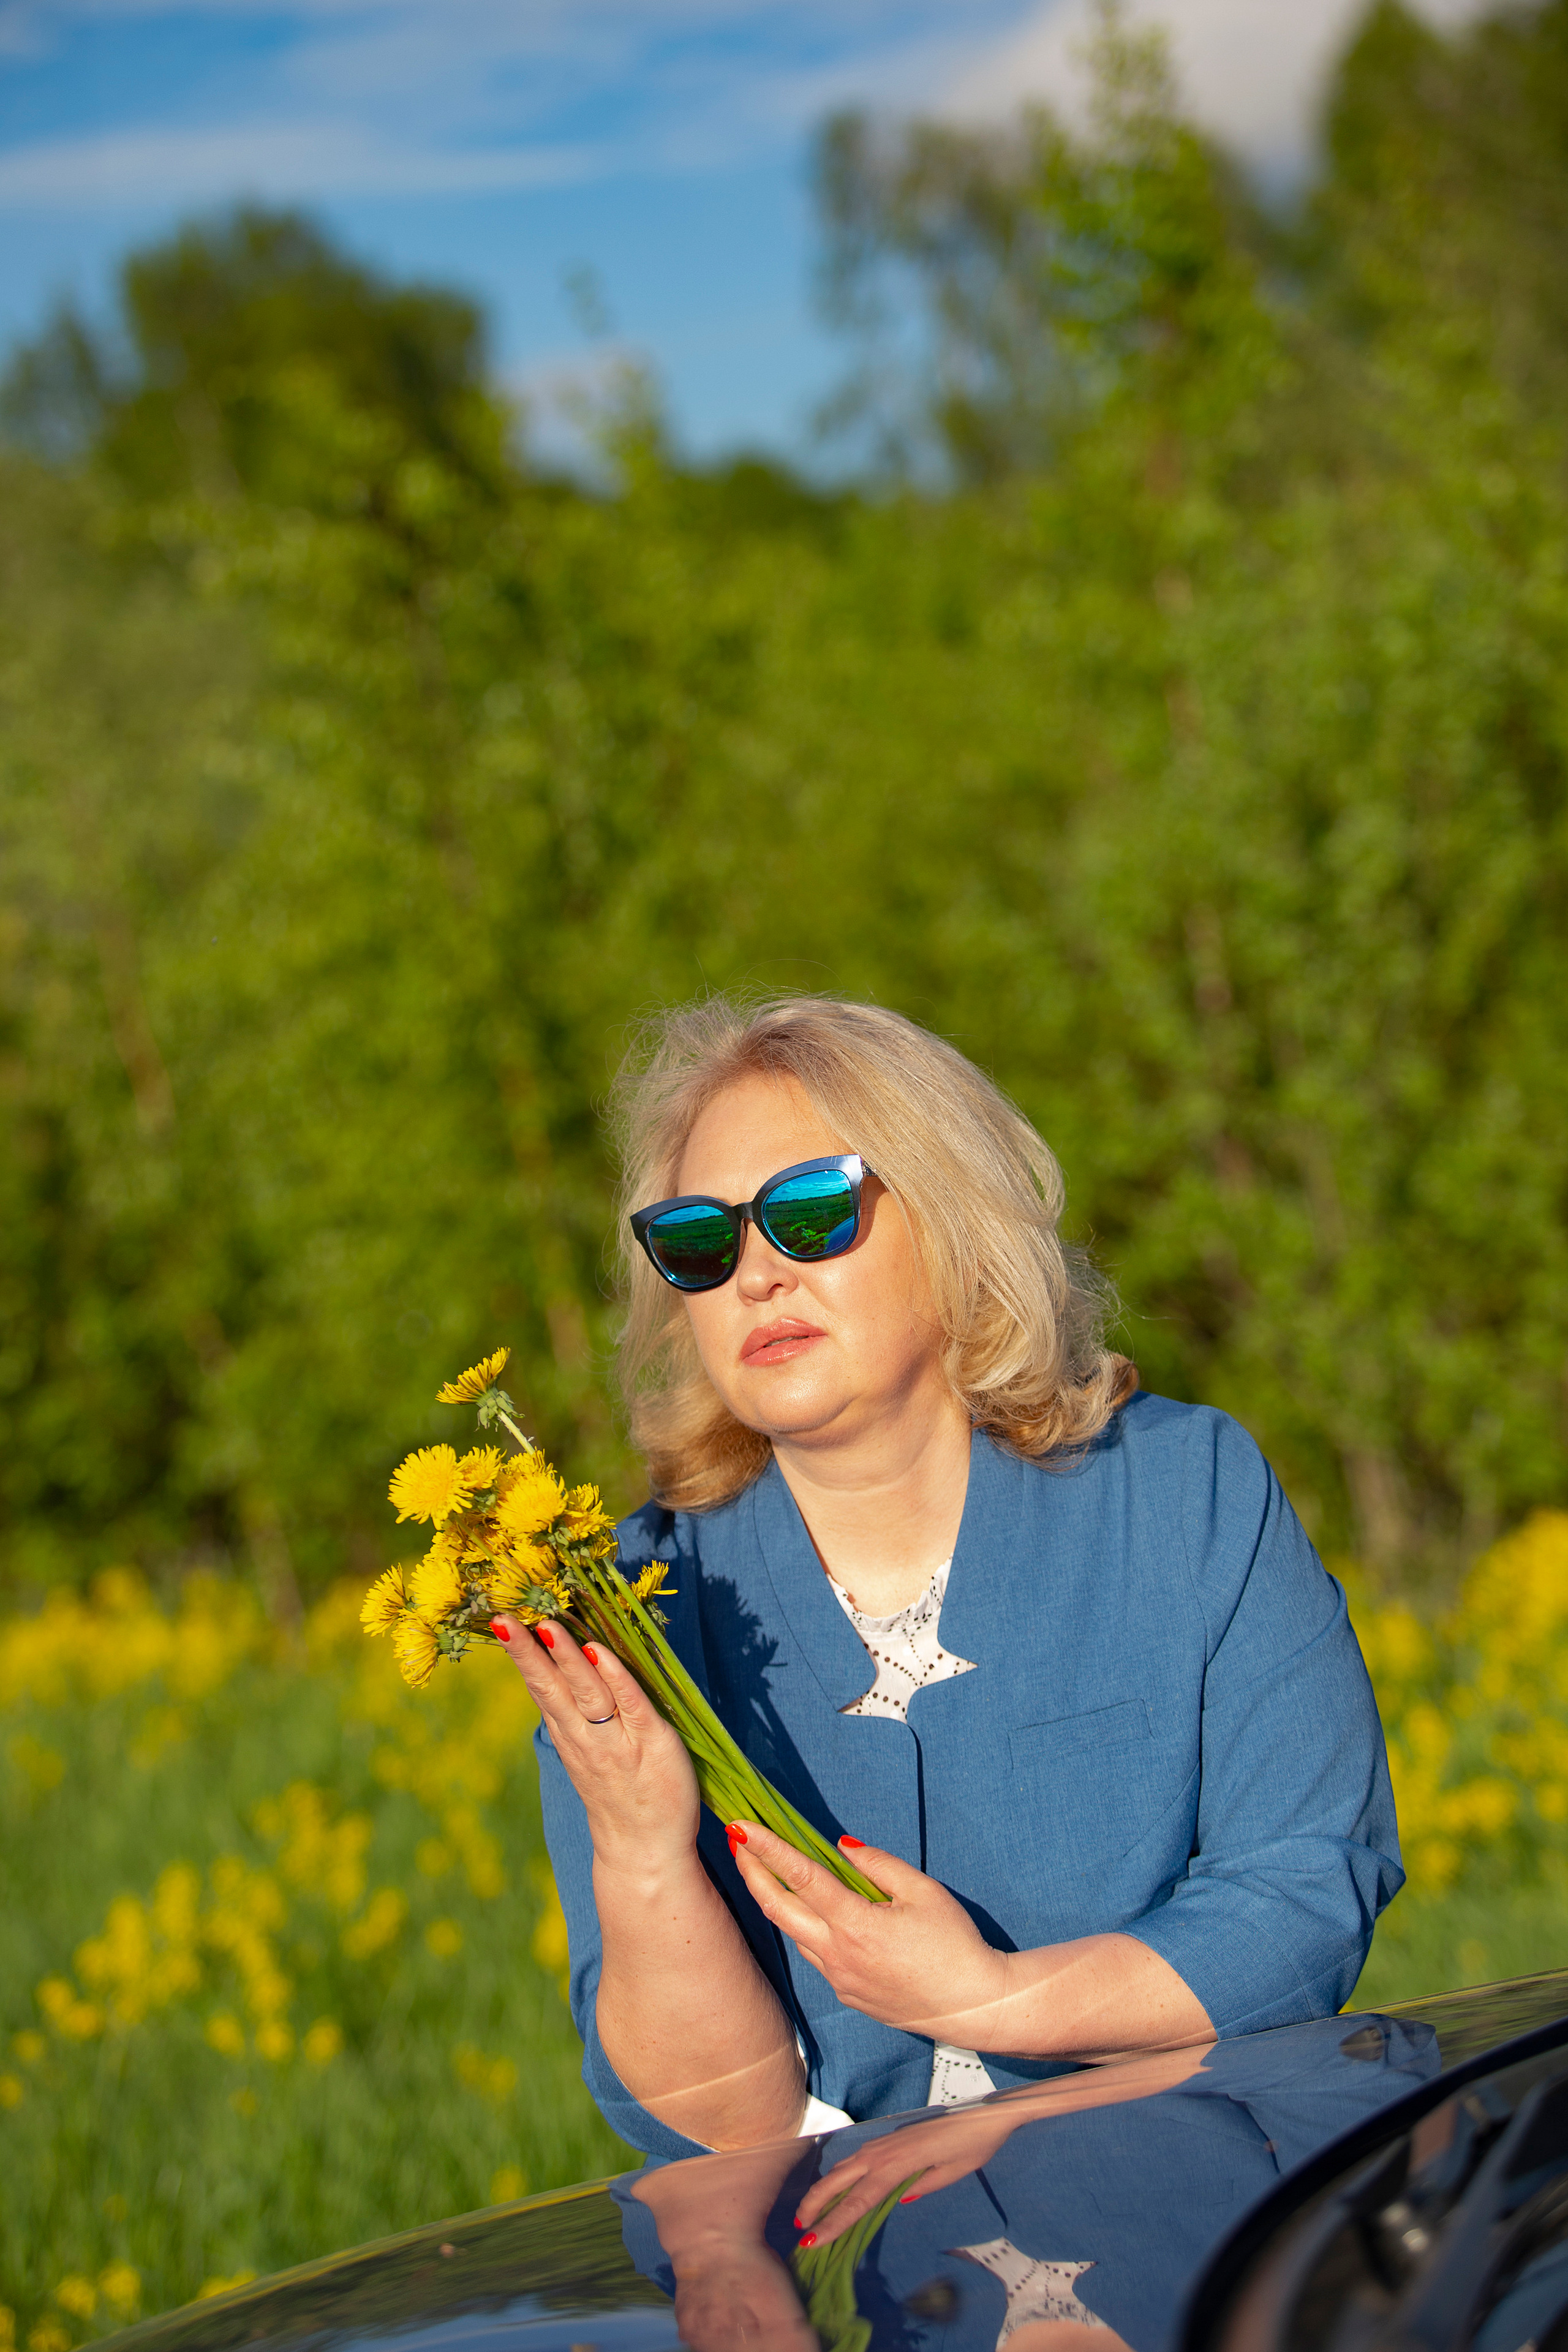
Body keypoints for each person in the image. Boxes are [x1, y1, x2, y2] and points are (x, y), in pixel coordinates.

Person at [492, 994, 1402, 2165]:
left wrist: (990, 2001)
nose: (756, 1278)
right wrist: (639, 1850)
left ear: (955, 1217)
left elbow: (1307, 1894)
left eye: (811, 1211)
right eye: (702, 1241)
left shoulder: (1186, 1496)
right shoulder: (629, 1602)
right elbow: (720, 2131)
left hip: (1186, 2224)